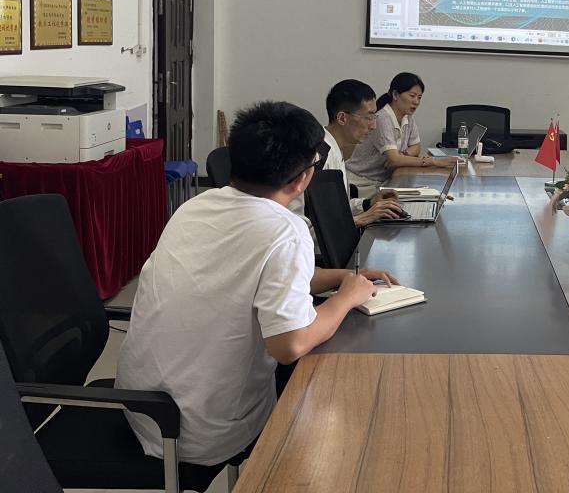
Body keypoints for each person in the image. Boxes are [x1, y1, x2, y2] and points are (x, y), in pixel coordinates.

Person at [115, 101, 399, 464]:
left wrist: (343, 278)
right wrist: (346, 298)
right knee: (342, 402)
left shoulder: (196, 206)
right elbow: (290, 345)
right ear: (302, 178)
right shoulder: (286, 230)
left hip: (143, 409)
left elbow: (261, 276)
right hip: (203, 431)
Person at [290, 79, 406, 228]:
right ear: (342, 118)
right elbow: (302, 224)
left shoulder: (335, 149)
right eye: (368, 117)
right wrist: (359, 219)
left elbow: (336, 207)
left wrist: (368, 203)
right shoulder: (318, 157)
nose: (373, 126)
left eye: (374, 117)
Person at [346, 72, 457, 192]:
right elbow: (394, 159)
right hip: (362, 183)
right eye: (412, 96)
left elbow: (416, 147)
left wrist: (401, 157)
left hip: (383, 180)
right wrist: (434, 161)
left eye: (419, 97)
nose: (416, 101)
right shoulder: (383, 118)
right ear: (395, 94)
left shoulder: (407, 117)